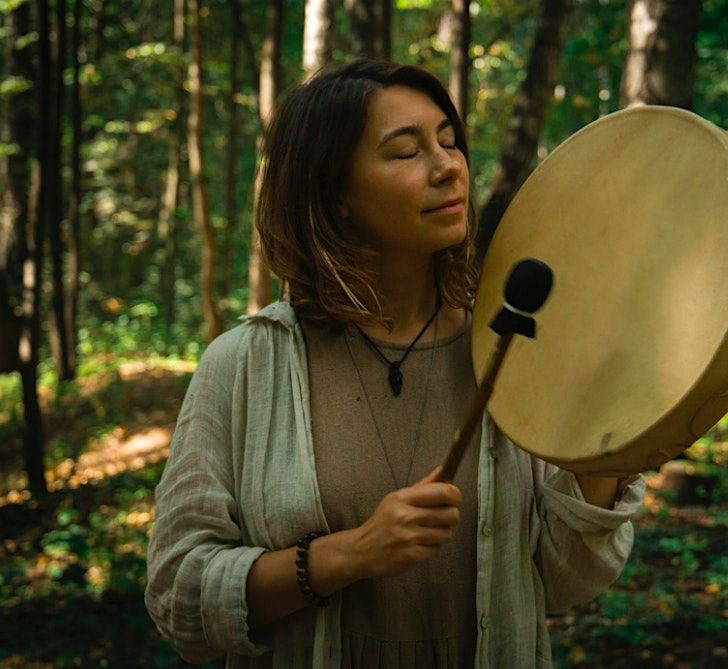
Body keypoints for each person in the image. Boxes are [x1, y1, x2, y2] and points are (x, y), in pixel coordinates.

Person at [144, 59, 645, 669]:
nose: (447, 167)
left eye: (449, 141)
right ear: (335, 194)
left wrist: (614, 443)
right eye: (405, 152)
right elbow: (179, 599)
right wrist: (349, 555)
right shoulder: (245, 366)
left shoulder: (511, 348)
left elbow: (566, 582)